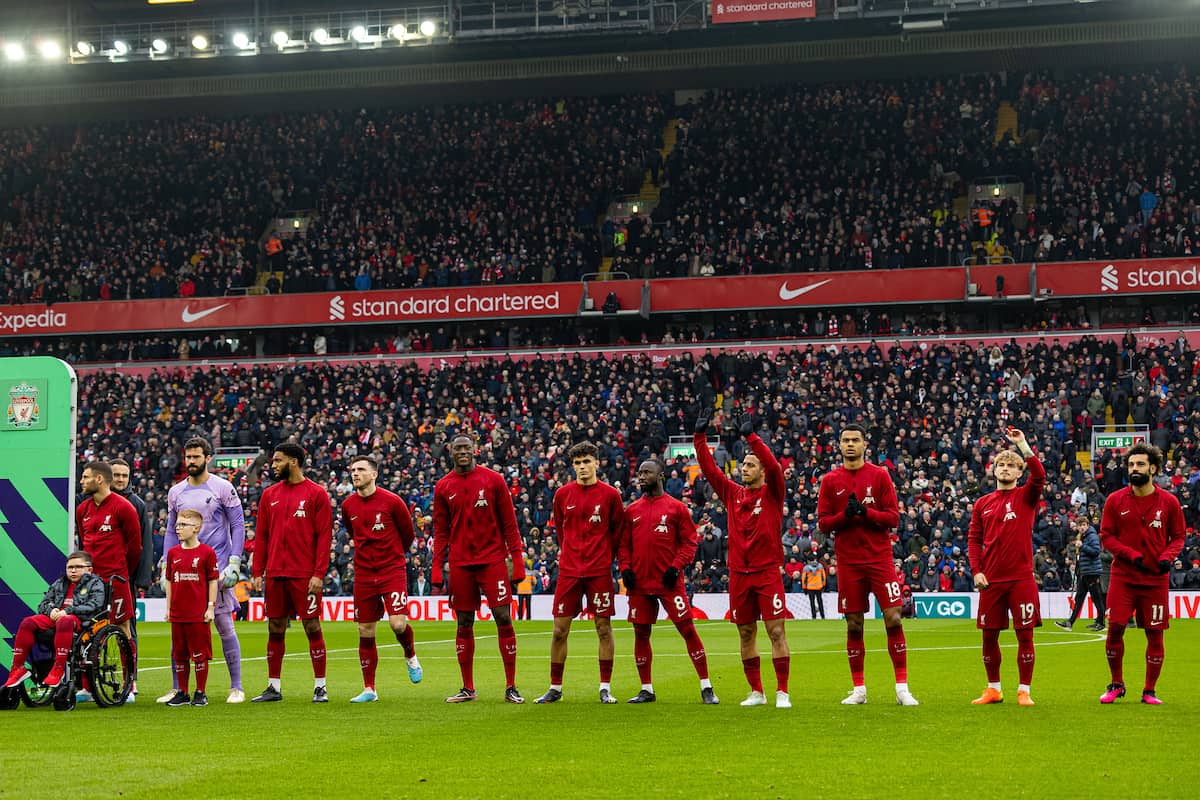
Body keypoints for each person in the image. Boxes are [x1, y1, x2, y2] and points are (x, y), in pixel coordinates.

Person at [693, 411, 790, 708]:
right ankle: (757, 692)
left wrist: (751, 437)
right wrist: (699, 438)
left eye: (749, 465)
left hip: (766, 572)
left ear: (761, 471)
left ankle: (782, 692)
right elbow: (710, 471)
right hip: (739, 574)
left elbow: (774, 466)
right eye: (743, 465)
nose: (743, 469)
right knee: (746, 632)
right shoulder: (733, 494)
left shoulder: (773, 492)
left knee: (775, 631)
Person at [817, 424, 917, 706]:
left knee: (894, 617)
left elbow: (893, 517)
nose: (850, 444)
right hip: (848, 562)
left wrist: (866, 512)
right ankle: (859, 689)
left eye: (855, 440)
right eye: (845, 440)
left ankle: (901, 689)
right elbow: (824, 523)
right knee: (854, 624)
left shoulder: (879, 475)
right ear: (839, 445)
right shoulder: (830, 480)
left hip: (879, 558)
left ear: (864, 445)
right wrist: (845, 517)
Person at [432, 434, 527, 704]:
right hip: (461, 564)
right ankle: (468, 687)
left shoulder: (493, 480)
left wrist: (517, 561)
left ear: (475, 450)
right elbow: (441, 531)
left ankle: (511, 686)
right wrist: (437, 568)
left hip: (493, 560)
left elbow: (510, 523)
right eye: (457, 447)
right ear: (450, 450)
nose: (463, 451)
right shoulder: (443, 487)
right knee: (464, 622)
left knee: (503, 617)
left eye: (466, 447)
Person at [618, 459, 718, 705]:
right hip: (640, 585)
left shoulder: (677, 509)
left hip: (669, 583)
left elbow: (689, 542)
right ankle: (647, 689)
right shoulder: (631, 511)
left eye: (647, 473)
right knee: (641, 634)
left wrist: (676, 567)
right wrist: (626, 569)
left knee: (687, 629)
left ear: (660, 475)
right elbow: (623, 546)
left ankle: (706, 686)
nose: (641, 477)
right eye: (639, 473)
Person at [536, 441, 625, 704]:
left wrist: (605, 558)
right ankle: (555, 687)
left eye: (586, 462)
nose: (582, 467)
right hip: (570, 572)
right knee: (559, 630)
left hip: (599, 571)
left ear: (597, 463)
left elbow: (617, 533)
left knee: (603, 628)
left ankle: (605, 687)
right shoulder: (563, 495)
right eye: (577, 463)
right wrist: (571, 555)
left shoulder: (610, 496)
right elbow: (562, 533)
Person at [160, 437, 247, 704]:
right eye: (188, 457)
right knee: (180, 629)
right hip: (184, 569)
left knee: (223, 624)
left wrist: (234, 561)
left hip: (215, 568)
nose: (191, 462)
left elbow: (238, 525)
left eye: (196, 457)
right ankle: (179, 688)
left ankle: (236, 687)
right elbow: (171, 530)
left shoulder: (223, 488)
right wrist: (166, 563)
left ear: (208, 458)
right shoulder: (176, 492)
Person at [1097, 444, 1185, 704]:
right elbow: (1106, 537)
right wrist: (1129, 554)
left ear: (1154, 468)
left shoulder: (1169, 502)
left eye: (1140, 465)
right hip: (1123, 578)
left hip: (1155, 580)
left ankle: (1149, 690)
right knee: (1114, 630)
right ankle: (1116, 684)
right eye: (1132, 465)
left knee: (1155, 634)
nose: (1134, 469)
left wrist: (1166, 558)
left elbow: (1179, 537)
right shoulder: (1115, 500)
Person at [967, 428, 1046, 707]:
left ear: (1019, 472)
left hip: (1021, 579)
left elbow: (1040, 475)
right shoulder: (982, 504)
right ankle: (993, 689)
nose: (1005, 468)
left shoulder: (1026, 496)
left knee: (1025, 634)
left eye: (1011, 466)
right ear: (994, 470)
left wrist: (1022, 444)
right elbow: (974, 540)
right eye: (1001, 464)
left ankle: (1024, 690)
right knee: (989, 636)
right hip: (991, 580)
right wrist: (976, 570)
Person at [250, 442, 334, 703]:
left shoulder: (316, 494)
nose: (273, 465)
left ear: (294, 461)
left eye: (277, 461)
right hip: (275, 573)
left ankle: (320, 686)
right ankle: (273, 686)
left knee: (311, 625)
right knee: (275, 626)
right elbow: (262, 536)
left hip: (304, 574)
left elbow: (324, 537)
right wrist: (257, 571)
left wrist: (319, 573)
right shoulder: (269, 495)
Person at [340, 455, 423, 703]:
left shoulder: (392, 501)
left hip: (391, 570)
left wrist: (393, 556)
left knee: (397, 624)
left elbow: (407, 534)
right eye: (353, 470)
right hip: (364, 573)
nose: (355, 473)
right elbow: (351, 531)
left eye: (361, 469)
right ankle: (369, 689)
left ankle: (410, 655)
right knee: (365, 629)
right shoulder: (348, 505)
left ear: (374, 474)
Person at [75, 460, 142, 702]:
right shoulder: (82, 509)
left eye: (85, 477)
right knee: (86, 628)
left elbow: (135, 548)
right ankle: (87, 686)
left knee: (123, 628)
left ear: (100, 479)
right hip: (89, 582)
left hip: (116, 579)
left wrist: (123, 573)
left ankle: (129, 683)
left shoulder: (124, 508)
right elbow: (84, 544)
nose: (82, 481)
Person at [3, 551, 106, 690]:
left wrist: (68, 611)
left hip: (81, 620)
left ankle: (58, 669)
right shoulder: (60, 582)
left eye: (78, 567)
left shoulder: (96, 583)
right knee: (28, 622)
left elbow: (95, 605)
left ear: (89, 569)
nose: (73, 570)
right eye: (70, 567)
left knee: (65, 621)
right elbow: (43, 604)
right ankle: (17, 668)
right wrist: (51, 610)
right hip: (57, 618)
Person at [162, 509, 218, 707]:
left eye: (182, 525)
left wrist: (210, 607)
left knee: (200, 654)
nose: (178, 529)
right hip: (178, 612)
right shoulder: (173, 553)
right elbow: (169, 580)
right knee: (180, 654)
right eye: (177, 525)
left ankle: (200, 692)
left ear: (196, 528)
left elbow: (213, 581)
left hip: (197, 613)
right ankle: (183, 692)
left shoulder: (207, 553)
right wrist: (168, 608)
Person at [109, 457, 154, 703]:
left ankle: (131, 678)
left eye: (124, 476)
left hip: (126, 578)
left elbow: (144, 544)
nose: (120, 480)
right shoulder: (94, 502)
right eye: (116, 475)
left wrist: (141, 579)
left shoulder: (136, 504)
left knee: (128, 628)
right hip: (98, 577)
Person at [1056, 517, 1107, 631]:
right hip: (1085, 571)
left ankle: (1101, 622)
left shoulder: (1092, 536)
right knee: (1080, 597)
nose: (1082, 527)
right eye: (1080, 525)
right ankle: (1070, 622)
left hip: (1092, 571)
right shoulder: (1082, 536)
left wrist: (1082, 546)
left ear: (1087, 525)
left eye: (1084, 525)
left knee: (1096, 597)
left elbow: (1095, 551)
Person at [802, 554, 827, 620]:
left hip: (810, 588)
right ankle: (823, 616)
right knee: (820, 602)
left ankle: (814, 616)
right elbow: (823, 576)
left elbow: (804, 579)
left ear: (808, 560)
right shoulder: (820, 566)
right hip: (819, 587)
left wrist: (804, 588)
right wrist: (823, 585)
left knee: (812, 603)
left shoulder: (806, 568)